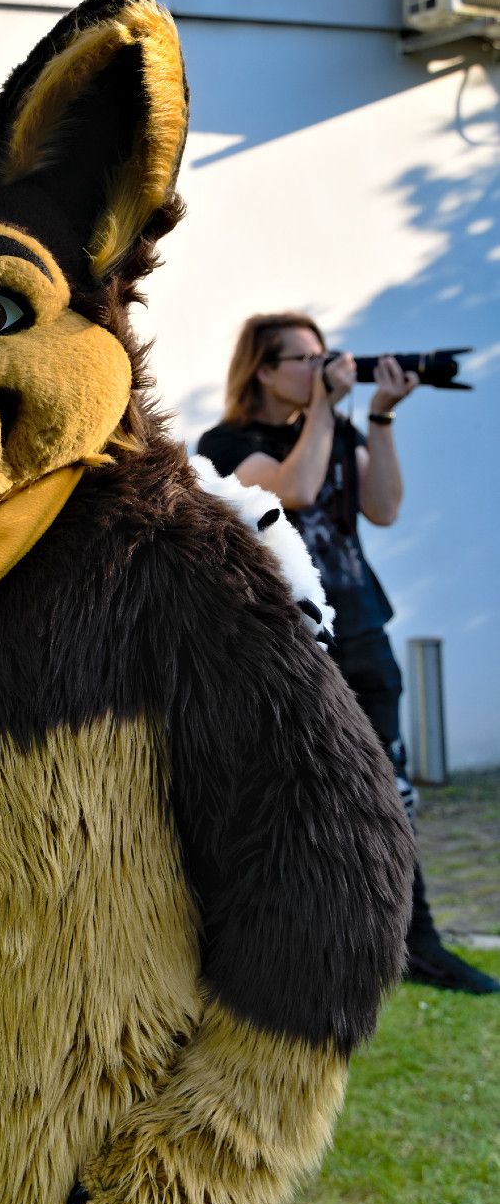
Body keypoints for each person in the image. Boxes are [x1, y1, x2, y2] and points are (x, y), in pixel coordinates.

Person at [198, 312, 497, 996]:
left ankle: (416, 943)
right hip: (289, 643)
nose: (321, 366)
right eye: (302, 359)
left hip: (362, 628)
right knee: (294, 799)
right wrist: (327, 410)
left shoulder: (338, 427)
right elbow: (292, 489)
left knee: (390, 793)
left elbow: (383, 507)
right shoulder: (229, 443)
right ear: (263, 371)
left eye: (323, 354)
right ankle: (279, 950)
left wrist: (382, 419)